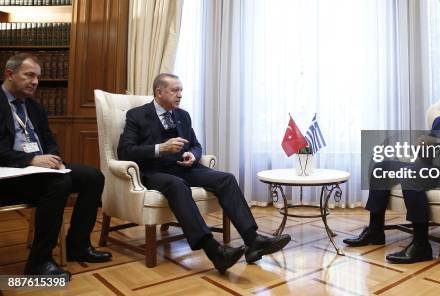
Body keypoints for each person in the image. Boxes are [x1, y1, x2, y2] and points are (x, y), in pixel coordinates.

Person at [117, 73, 291, 274]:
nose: (180, 94)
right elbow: (125, 151)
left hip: (184, 168)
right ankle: (214, 251)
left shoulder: (182, 115)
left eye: (181, 90)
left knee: (226, 178)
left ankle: (253, 241)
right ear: (159, 92)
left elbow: (196, 145)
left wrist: (192, 154)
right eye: (175, 90)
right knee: (176, 185)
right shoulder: (136, 115)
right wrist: (160, 148)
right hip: (155, 172)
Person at [344, 79, 440, 263]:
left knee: (411, 176)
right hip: (429, 168)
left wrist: (438, 143)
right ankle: (375, 230)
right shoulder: (439, 121)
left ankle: (421, 245)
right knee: (382, 168)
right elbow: (429, 155)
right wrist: (422, 146)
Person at [0, 53, 111, 280]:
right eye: (29, 75)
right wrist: (30, 160)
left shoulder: (34, 107)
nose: (35, 82)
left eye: (38, 77)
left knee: (93, 176)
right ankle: (39, 263)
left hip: (39, 170)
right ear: (9, 74)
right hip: (9, 175)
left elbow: (49, 140)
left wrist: (53, 157)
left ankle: (77, 245)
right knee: (59, 183)